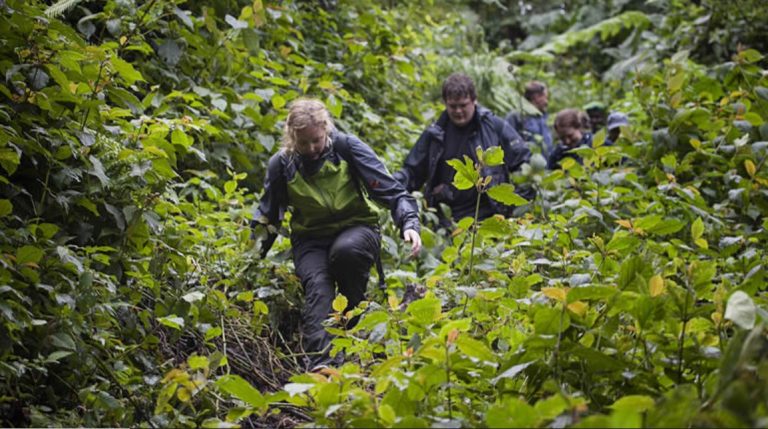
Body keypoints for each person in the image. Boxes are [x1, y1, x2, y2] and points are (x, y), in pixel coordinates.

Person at [251, 98, 422, 371]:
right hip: (311, 240)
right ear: (292, 137)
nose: (311, 149)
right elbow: (267, 218)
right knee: (318, 288)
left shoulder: (347, 148)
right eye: (303, 143)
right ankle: (323, 367)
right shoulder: (282, 165)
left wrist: (409, 222)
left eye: (316, 141)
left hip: (358, 229)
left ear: (326, 129)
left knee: (345, 252)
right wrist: (249, 260)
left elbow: (392, 190)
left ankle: (353, 320)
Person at [394, 73, 531, 226]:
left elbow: (525, 165)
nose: (458, 111)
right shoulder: (436, 134)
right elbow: (412, 172)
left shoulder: (494, 127)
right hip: (446, 220)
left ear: (474, 101)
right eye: (453, 106)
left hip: (490, 217)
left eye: (463, 105)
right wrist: (389, 185)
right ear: (445, 103)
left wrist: (514, 208)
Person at [505, 80, 553, 158]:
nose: (546, 102)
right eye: (545, 97)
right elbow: (507, 140)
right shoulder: (517, 116)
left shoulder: (543, 116)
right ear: (536, 97)